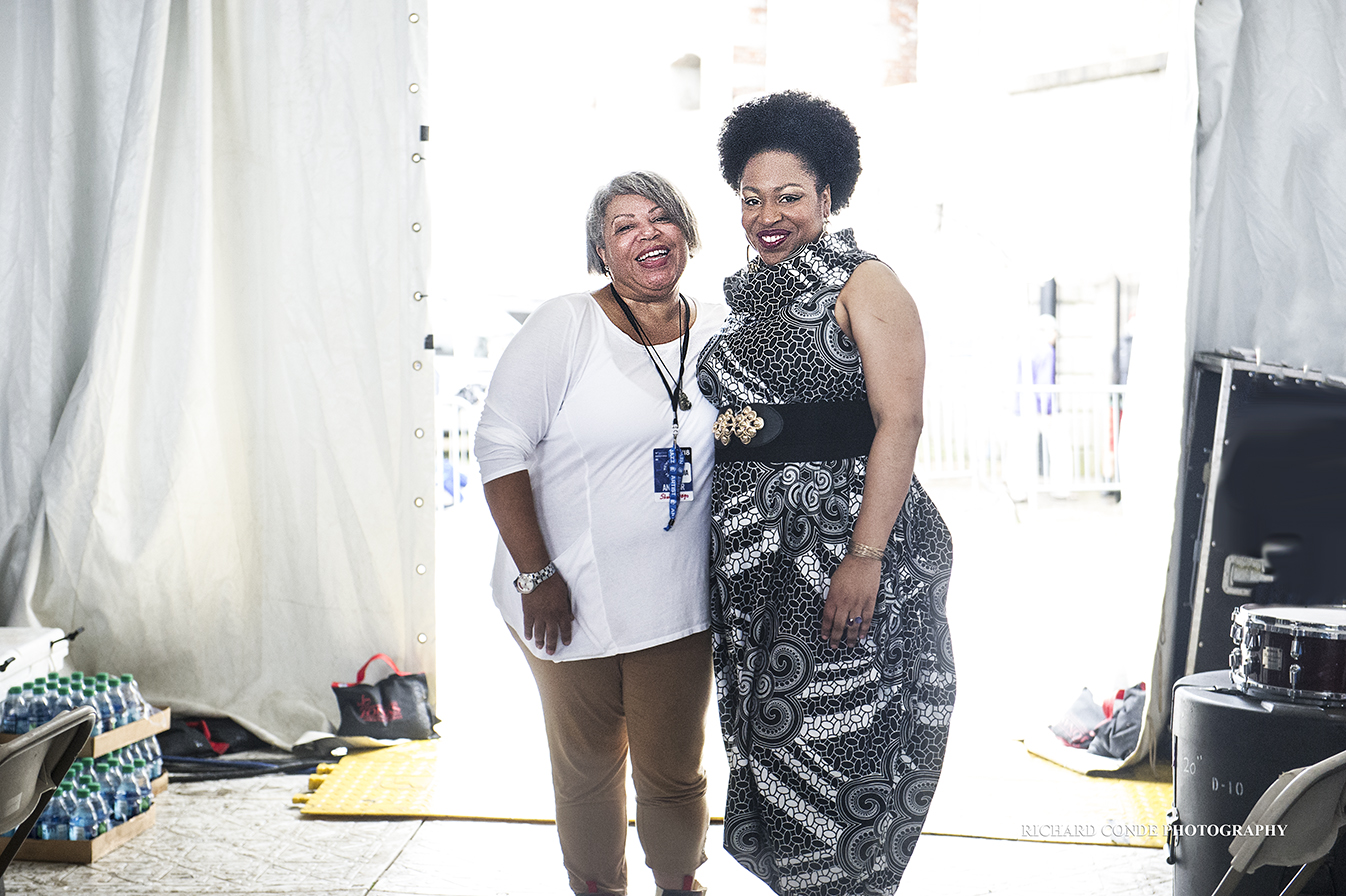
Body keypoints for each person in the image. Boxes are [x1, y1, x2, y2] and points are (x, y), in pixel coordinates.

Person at [696, 91, 957, 895]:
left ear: (829, 196)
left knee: (840, 745)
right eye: (750, 197)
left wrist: (865, 559)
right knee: (775, 750)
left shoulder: (866, 281)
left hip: (839, 552)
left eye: (788, 196)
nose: (766, 216)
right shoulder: (746, 294)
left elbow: (900, 422)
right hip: (756, 567)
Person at [474, 171, 726, 896]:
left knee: (674, 768)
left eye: (661, 218)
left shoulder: (720, 329)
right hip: (564, 595)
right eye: (624, 226)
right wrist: (536, 574)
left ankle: (680, 885)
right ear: (601, 251)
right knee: (588, 766)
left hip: (677, 601)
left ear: (686, 232)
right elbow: (498, 447)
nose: (648, 234)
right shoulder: (567, 324)